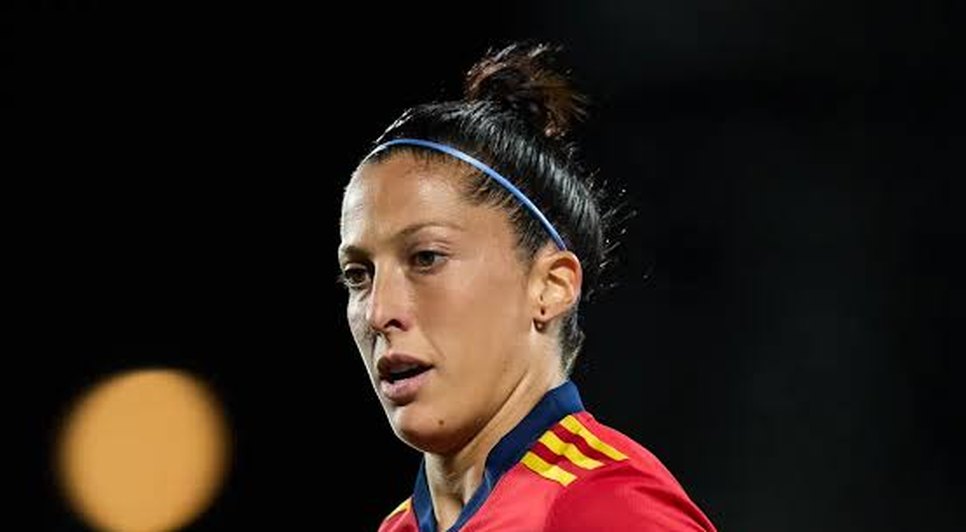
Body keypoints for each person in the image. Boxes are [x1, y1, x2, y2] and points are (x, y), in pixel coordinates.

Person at [337, 42, 717, 531]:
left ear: (551, 286)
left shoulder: (607, 510)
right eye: (359, 275)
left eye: (426, 258)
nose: (378, 312)